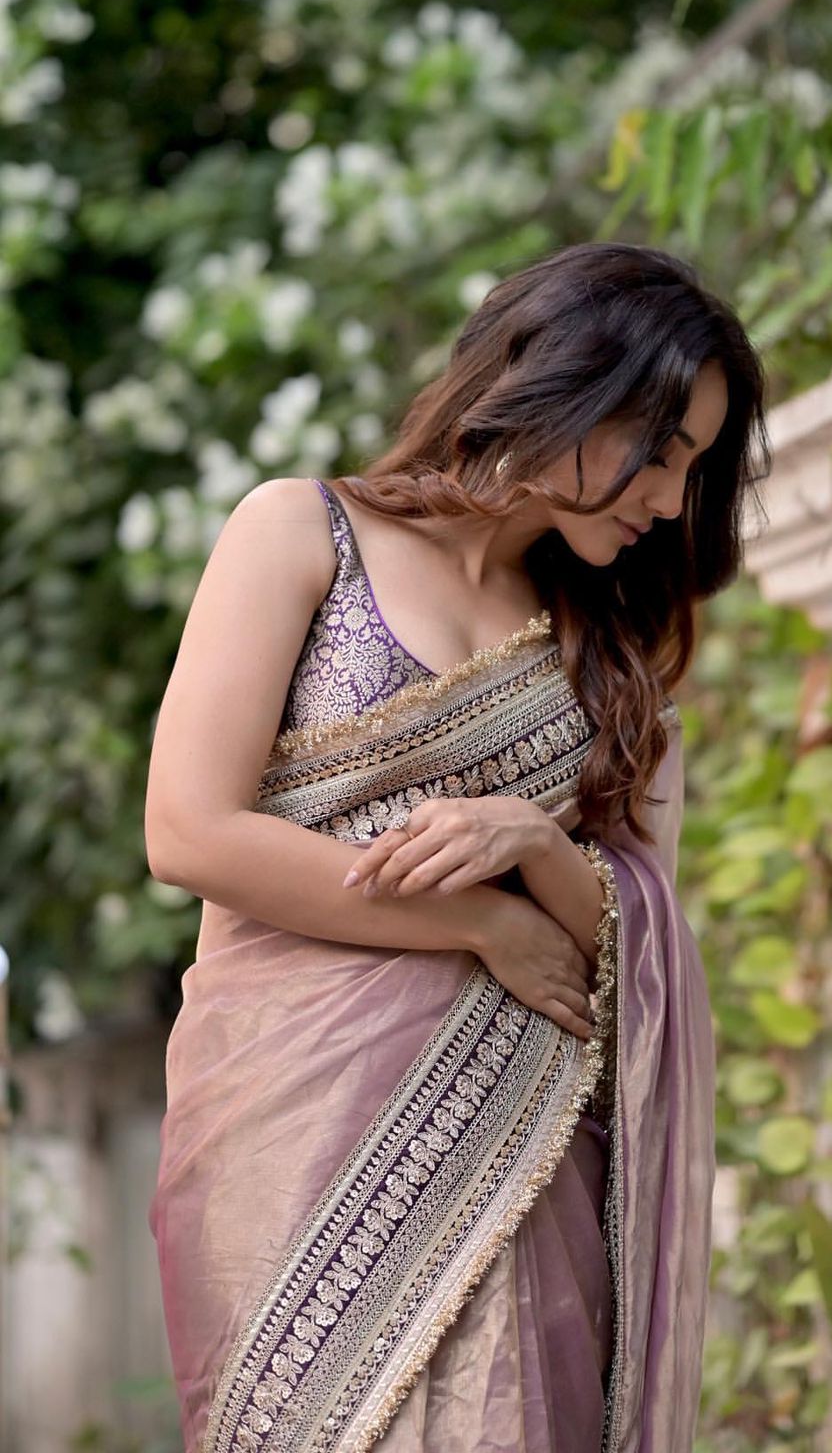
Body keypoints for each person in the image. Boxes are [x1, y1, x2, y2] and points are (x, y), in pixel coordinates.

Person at [144, 239, 771, 1452]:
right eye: (661, 453)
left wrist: (532, 843)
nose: (665, 501)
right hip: (283, 1148)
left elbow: (629, 957)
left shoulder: (615, 670)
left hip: (519, 1175)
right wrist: (474, 916)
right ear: (569, 392)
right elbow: (188, 829)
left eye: (691, 471)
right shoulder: (300, 535)